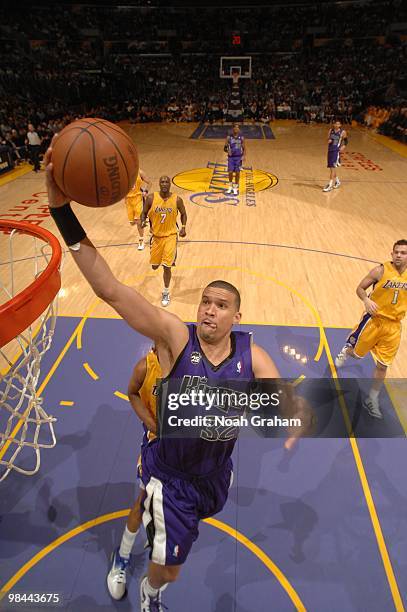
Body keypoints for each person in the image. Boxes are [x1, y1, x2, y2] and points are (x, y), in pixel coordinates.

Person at [44, 144, 311, 611]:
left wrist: (294, 412)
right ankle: (149, 596)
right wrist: (60, 209)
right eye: (205, 300)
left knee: (165, 542)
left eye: (220, 304)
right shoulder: (174, 338)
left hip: (213, 475)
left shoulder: (253, 354)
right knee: (169, 567)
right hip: (169, 474)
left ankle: (139, 564)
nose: (209, 308)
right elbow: (109, 289)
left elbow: (278, 397)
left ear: (237, 315)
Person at [107, 347, 161, 600]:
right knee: (141, 504)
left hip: (186, 454)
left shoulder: (194, 365)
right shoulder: (145, 366)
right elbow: (132, 393)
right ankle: (122, 556)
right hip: (157, 450)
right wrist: (150, 423)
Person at [335, 240, 407, 418]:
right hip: (373, 321)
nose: (399, 255)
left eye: (403, 253)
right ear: (391, 254)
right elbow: (360, 288)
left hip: (394, 327)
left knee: (383, 366)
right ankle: (347, 349)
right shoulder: (380, 270)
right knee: (357, 354)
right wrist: (366, 300)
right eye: (396, 252)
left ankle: (372, 398)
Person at [141, 176, 187, 307]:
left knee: (167, 266)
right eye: (162, 181)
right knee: (155, 266)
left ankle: (166, 292)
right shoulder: (151, 198)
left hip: (171, 236)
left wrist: (183, 227)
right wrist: (143, 220)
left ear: (170, 184)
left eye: (167, 181)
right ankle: (161, 262)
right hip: (156, 237)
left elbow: (184, 213)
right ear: (159, 184)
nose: (165, 184)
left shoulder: (177, 199)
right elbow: (143, 213)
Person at [125, 169, 152, 251]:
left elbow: (150, 183)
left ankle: (141, 240)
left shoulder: (139, 172)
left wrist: (146, 191)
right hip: (129, 200)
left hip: (138, 198)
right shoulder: (123, 173)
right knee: (132, 223)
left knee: (138, 221)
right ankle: (150, 223)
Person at [323, 120, 348, 192]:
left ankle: (330, 185)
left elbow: (346, 141)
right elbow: (327, 139)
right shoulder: (330, 130)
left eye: (338, 124)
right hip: (330, 150)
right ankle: (337, 181)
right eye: (335, 124)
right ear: (333, 124)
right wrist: (329, 140)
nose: (336, 125)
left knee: (333, 168)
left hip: (336, 151)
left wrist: (344, 146)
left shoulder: (343, 132)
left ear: (340, 125)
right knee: (331, 168)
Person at [224, 123, 245, 196]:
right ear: (233, 129)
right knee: (230, 172)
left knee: (237, 173)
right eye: (235, 128)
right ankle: (230, 187)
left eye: (237, 128)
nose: (236, 129)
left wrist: (243, 156)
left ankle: (235, 188)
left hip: (238, 157)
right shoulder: (229, 137)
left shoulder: (241, 138)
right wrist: (227, 151)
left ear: (239, 129)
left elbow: (244, 147)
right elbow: (225, 148)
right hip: (231, 158)